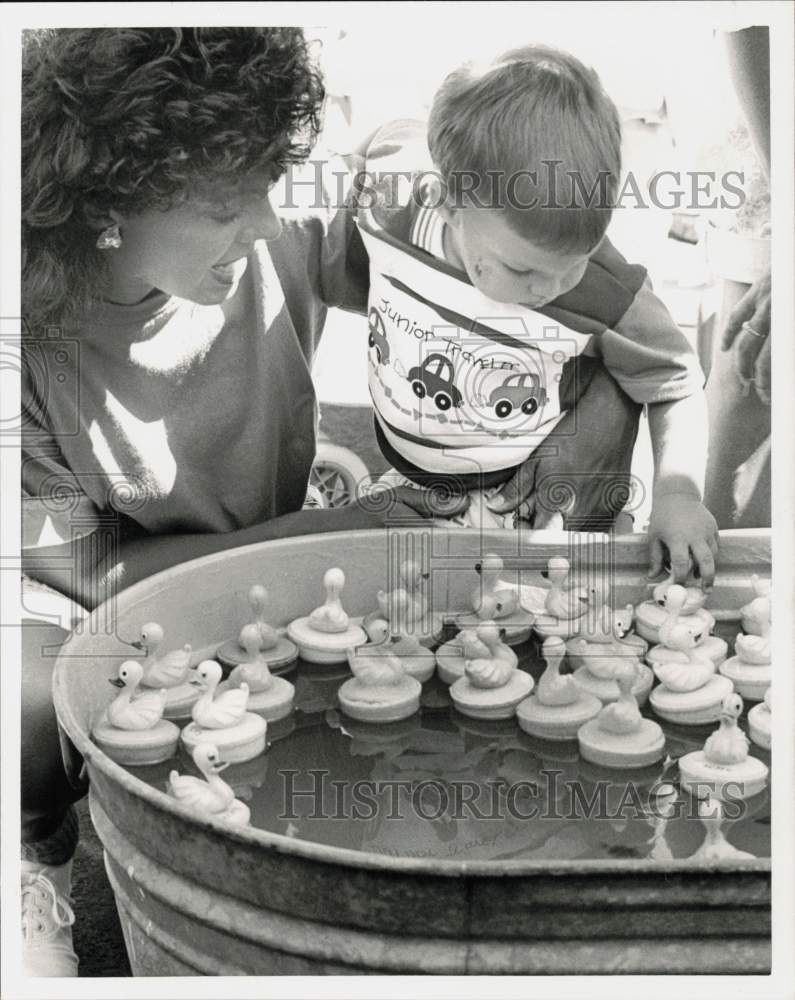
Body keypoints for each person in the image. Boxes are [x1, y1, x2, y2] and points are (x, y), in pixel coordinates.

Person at [19, 27, 654, 978]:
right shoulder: (24, 341)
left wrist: (602, 407)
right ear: (108, 195)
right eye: (226, 208)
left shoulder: (271, 241)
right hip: (107, 595)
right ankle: (39, 863)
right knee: (25, 695)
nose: (269, 226)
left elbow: (545, 266)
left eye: (269, 189)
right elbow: (84, 569)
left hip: (284, 562)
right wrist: (335, 529)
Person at [355, 45, 719, 581]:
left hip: (516, 498)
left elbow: (676, 382)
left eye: (571, 265)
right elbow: (382, 144)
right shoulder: (388, 204)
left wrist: (679, 493)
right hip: (411, 476)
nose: (548, 289)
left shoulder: (600, 287)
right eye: (522, 271)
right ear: (448, 205)